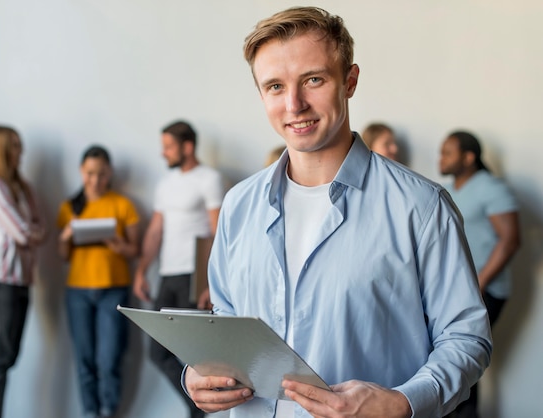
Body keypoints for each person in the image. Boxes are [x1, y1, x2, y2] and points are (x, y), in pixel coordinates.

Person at [184, 7, 492, 418]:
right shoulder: (239, 204)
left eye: (313, 80)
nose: (294, 104)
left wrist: (403, 402)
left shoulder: (422, 206)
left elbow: (467, 338)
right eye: (275, 86)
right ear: (261, 95)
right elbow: (225, 318)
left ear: (350, 81)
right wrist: (198, 374)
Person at [133, 120, 224, 418]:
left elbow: (218, 232)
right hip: (167, 277)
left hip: (193, 276)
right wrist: (142, 269)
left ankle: (197, 410)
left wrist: (212, 282)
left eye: (168, 147)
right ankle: (196, 405)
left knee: (192, 356)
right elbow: (156, 231)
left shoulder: (209, 179)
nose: (163, 153)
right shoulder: (166, 185)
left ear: (187, 147)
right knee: (157, 352)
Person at [439, 130, 520, 418]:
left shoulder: (490, 187)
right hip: (460, 291)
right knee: (457, 361)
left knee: (464, 361)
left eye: (448, 152)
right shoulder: (452, 189)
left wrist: (480, 283)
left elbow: (510, 240)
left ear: (469, 157)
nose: (441, 158)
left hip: (487, 291)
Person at [57, 145, 140, 418]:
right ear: (82, 172)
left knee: (109, 358)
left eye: (102, 174)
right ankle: (90, 412)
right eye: (90, 173)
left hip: (113, 290)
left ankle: (108, 410)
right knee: (84, 359)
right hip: (77, 291)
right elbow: (62, 256)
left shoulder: (122, 205)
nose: (95, 180)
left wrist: (118, 245)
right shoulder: (70, 207)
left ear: (110, 173)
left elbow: (134, 249)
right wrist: (66, 236)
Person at [0, 125, 46, 418]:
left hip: (20, 281)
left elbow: (40, 228)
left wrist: (33, 232)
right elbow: (21, 231)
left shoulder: (22, 188)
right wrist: (33, 233)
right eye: (15, 145)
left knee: (7, 357)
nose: (21, 151)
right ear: (1, 149)